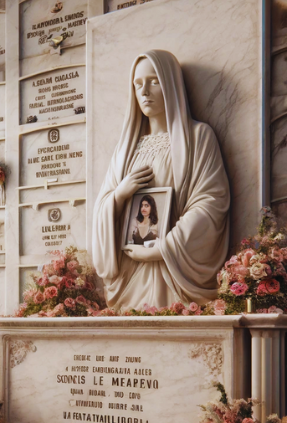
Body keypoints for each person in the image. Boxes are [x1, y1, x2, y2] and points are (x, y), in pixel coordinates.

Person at [92, 50, 230, 310]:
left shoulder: (198, 137)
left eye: (154, 81)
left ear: (171, 84)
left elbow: (210, 203)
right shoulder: (126, 150)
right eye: (137, 84)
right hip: (131, 274)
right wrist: (120, 195)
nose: (144, 91)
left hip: (176, 274)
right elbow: (101, 208)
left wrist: (162, 249)